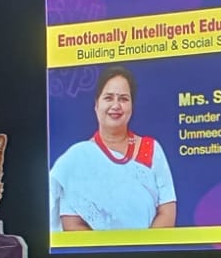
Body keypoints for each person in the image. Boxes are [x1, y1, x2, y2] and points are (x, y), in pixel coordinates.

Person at [49, 67, 176, 231]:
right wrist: (108, 248)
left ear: (132, 106)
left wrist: (143, 246)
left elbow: (167, 212)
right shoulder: (77, 159)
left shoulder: (151, 149)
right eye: (108, 98)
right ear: (96, 105)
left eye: (123, 99)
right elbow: (72, 223)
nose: (116, 105)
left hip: (149, 247)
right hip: (95, 249)